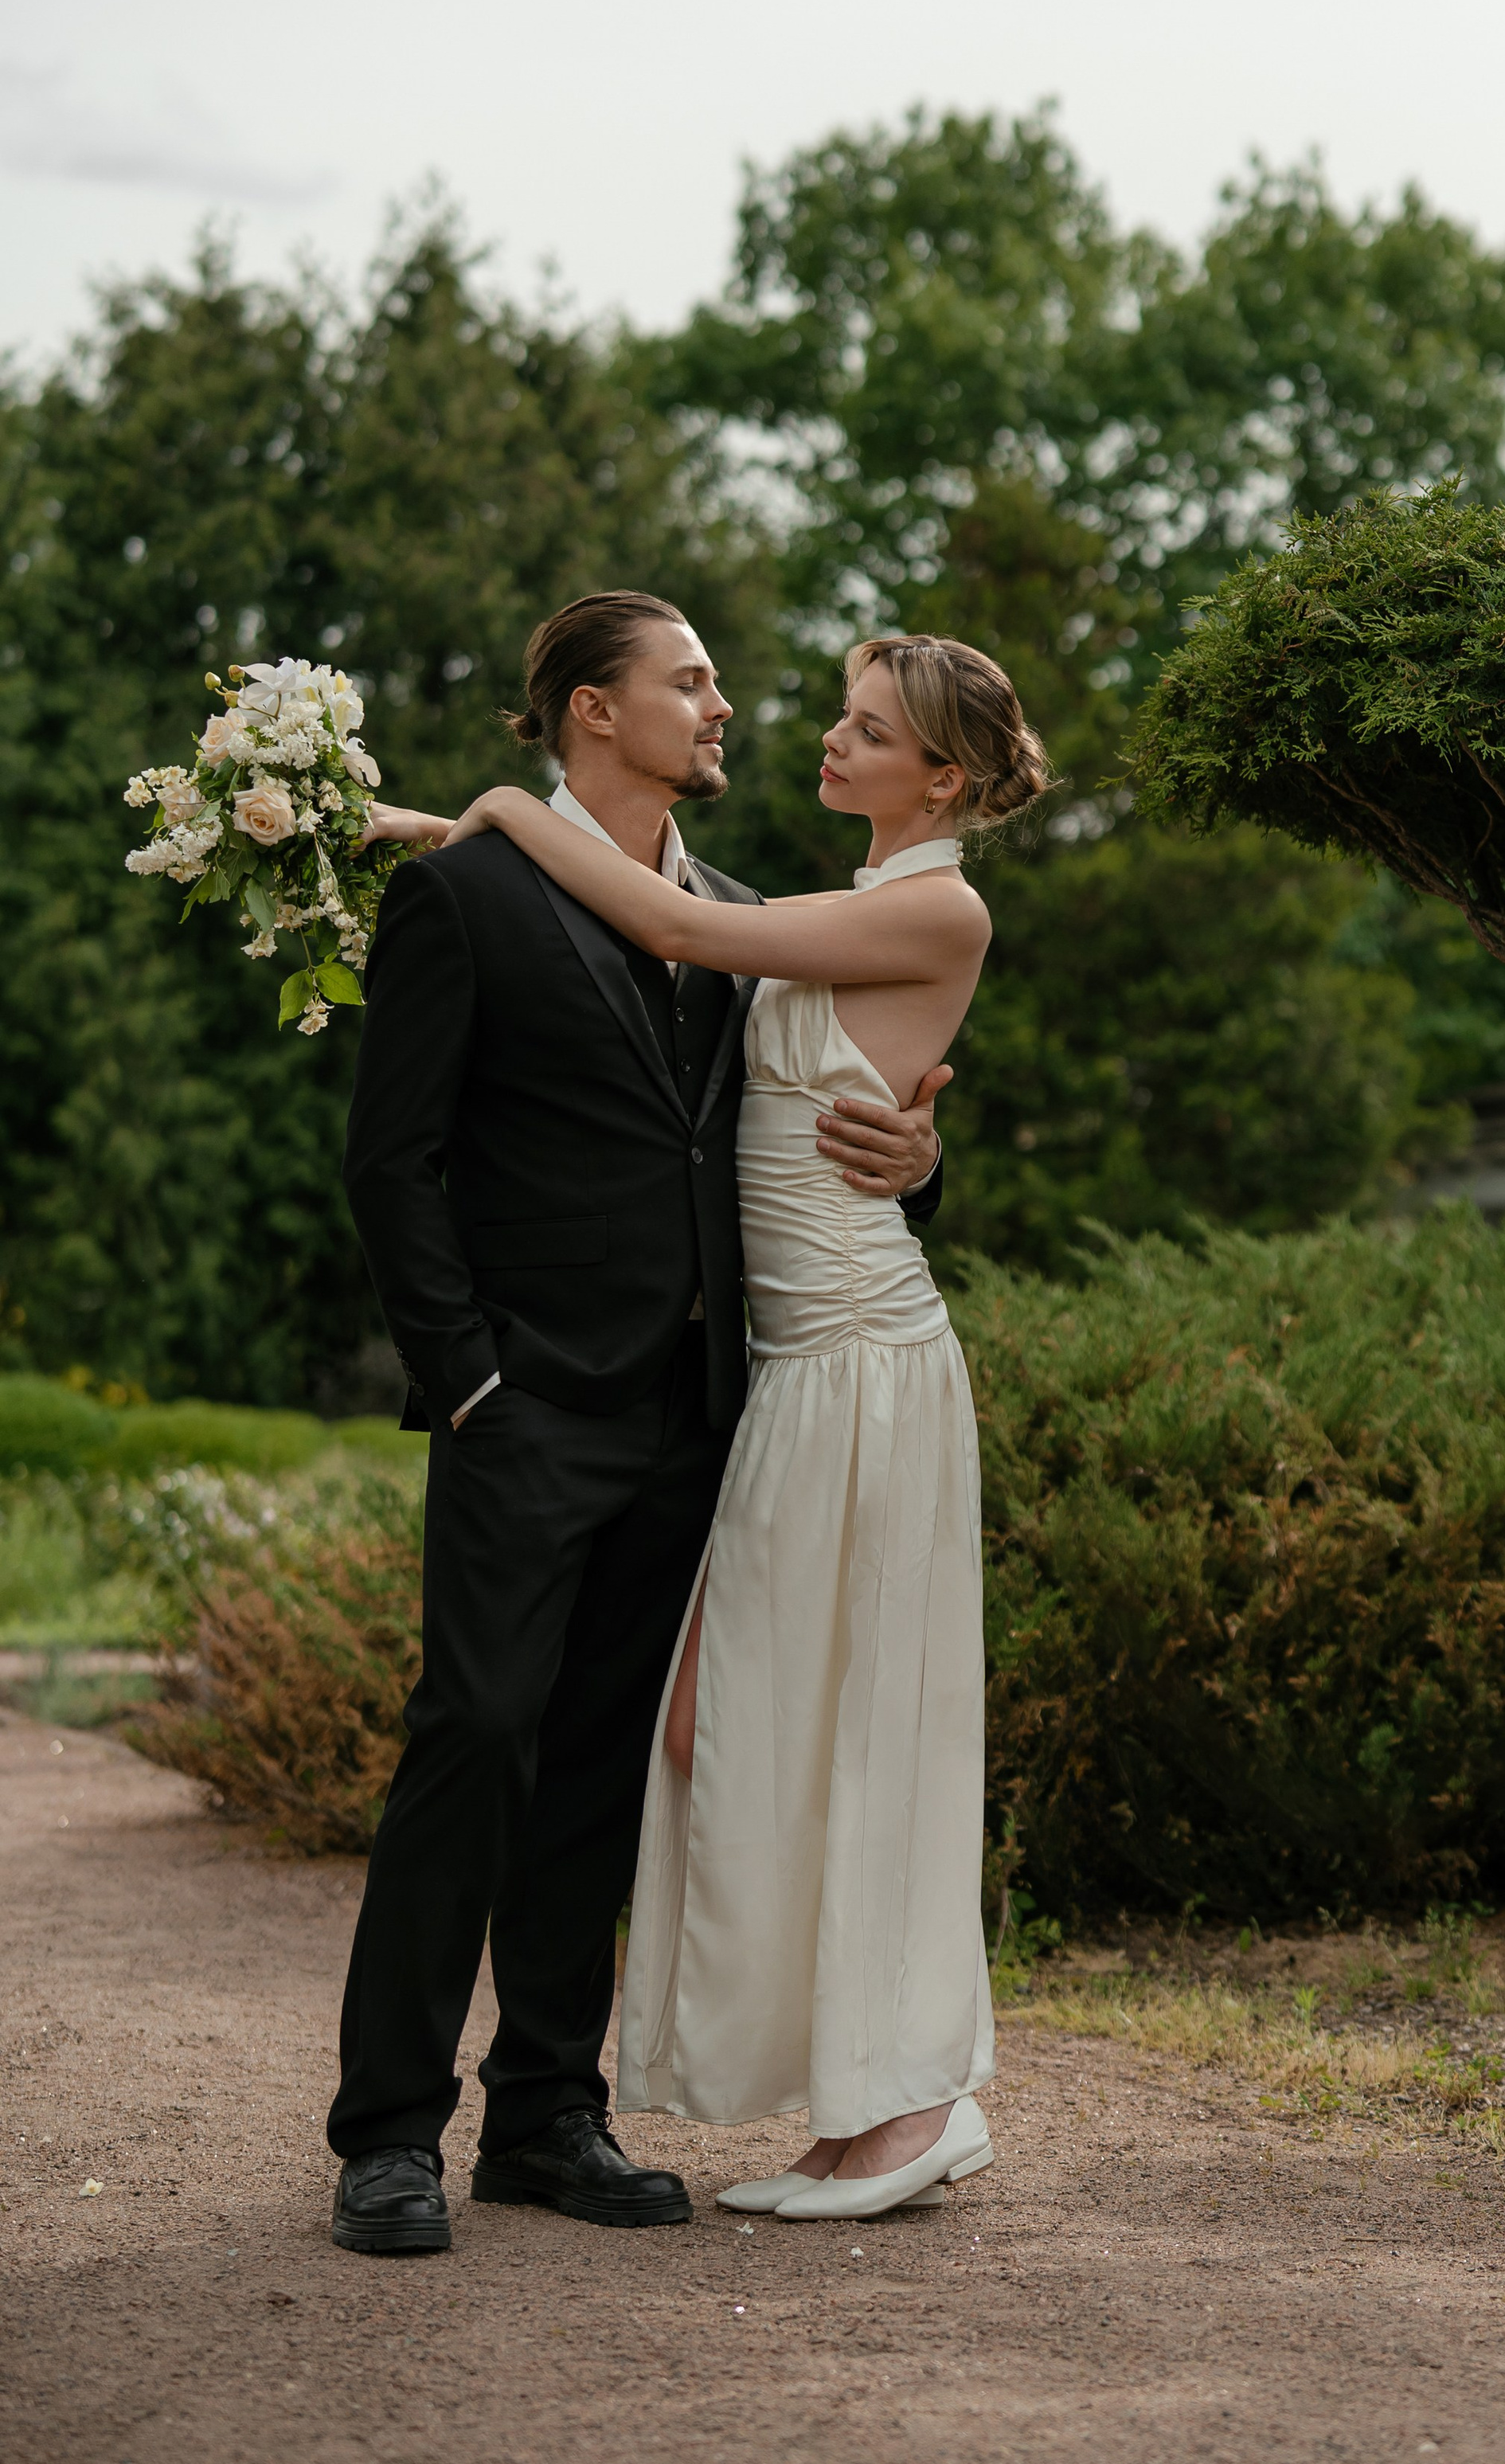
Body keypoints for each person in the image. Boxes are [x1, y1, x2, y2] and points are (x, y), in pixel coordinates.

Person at [327, 592, 947, 2255]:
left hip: (701, 1414)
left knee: (602, 1769)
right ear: (592, 710)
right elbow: (392, 1162)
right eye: (689, 681)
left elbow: (820, 1129)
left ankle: (546, 2114)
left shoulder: (740, 917)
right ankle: (386, 2132)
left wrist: (919, 1163)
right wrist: (468, 1379)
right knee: (474, 1738)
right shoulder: (462, 897)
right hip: (525, 1409)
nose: (722, 705)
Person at [435, 630, 1049, 2218]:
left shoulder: (941, 904)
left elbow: (669, 923)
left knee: (859, 1727)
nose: (829, 742)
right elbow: (633, 918)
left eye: (867, 731)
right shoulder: (842, 902)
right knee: (724, 1728)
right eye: (844, 718)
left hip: (862, 1360)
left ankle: (912, 2108)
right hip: (784, 1376)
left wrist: (498, 809)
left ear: (945, 778)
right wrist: (441, 843)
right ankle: (856, 2101)